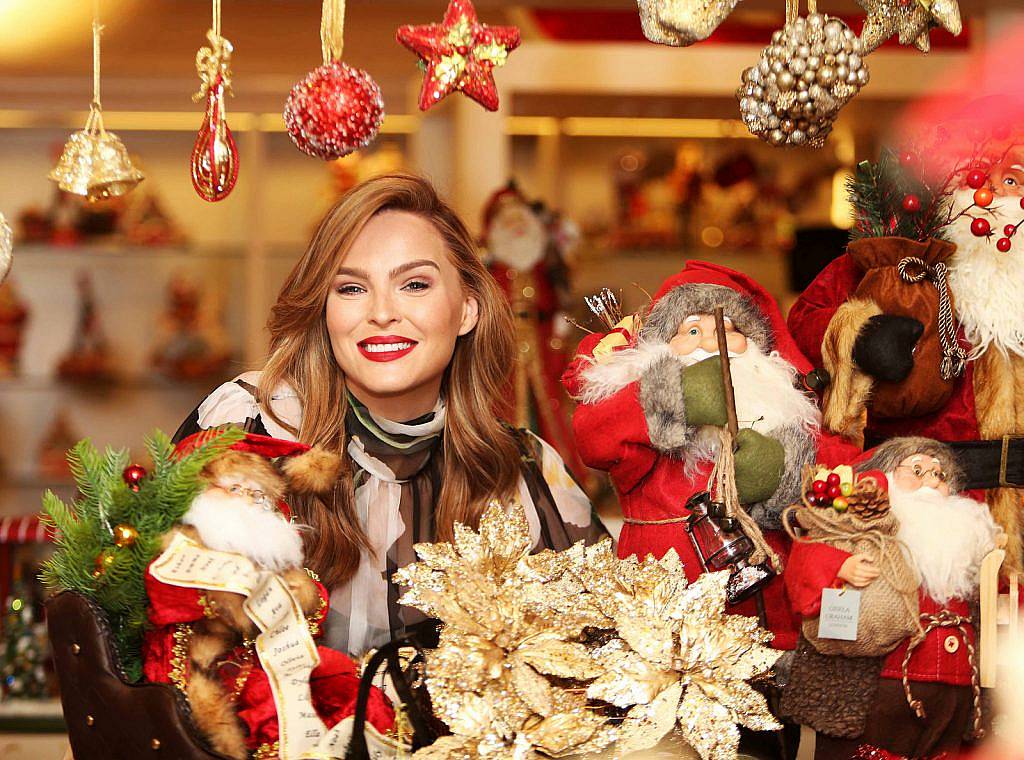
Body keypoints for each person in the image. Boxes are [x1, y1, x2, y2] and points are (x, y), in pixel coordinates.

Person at [172, 174, 606, 658]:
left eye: (414, 284)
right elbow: (166, 649)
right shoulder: (251, 429)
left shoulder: (526, 471)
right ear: (324, 309)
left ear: (467, 309)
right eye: (352, 288)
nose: (381, 313)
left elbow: (601, 667)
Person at [563, 261, 858, 650]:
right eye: (691, 330)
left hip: (768, 619)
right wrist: (677, 397)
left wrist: (782, 478)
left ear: (756, 347)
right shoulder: (635, 395)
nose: (708, 342)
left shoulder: (785, 415)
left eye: (727, 331)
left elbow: (835, 491)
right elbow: (595, 440)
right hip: (666, 612)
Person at [787, 140, 1024, 575]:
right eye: (973, 179)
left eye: (1009, 182)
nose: (987, 199)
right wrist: (860, 333)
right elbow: (804, 319)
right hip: (914, 509)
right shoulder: (900, 259)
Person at [784, 437, 1000, 759]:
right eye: (916, 470)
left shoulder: (964, 546)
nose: (930, 481)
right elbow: (804, 564)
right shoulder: (854, 527)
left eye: (939, 475)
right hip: (878, 689)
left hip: (955, 692)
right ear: (881, 478)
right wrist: (839, 565)